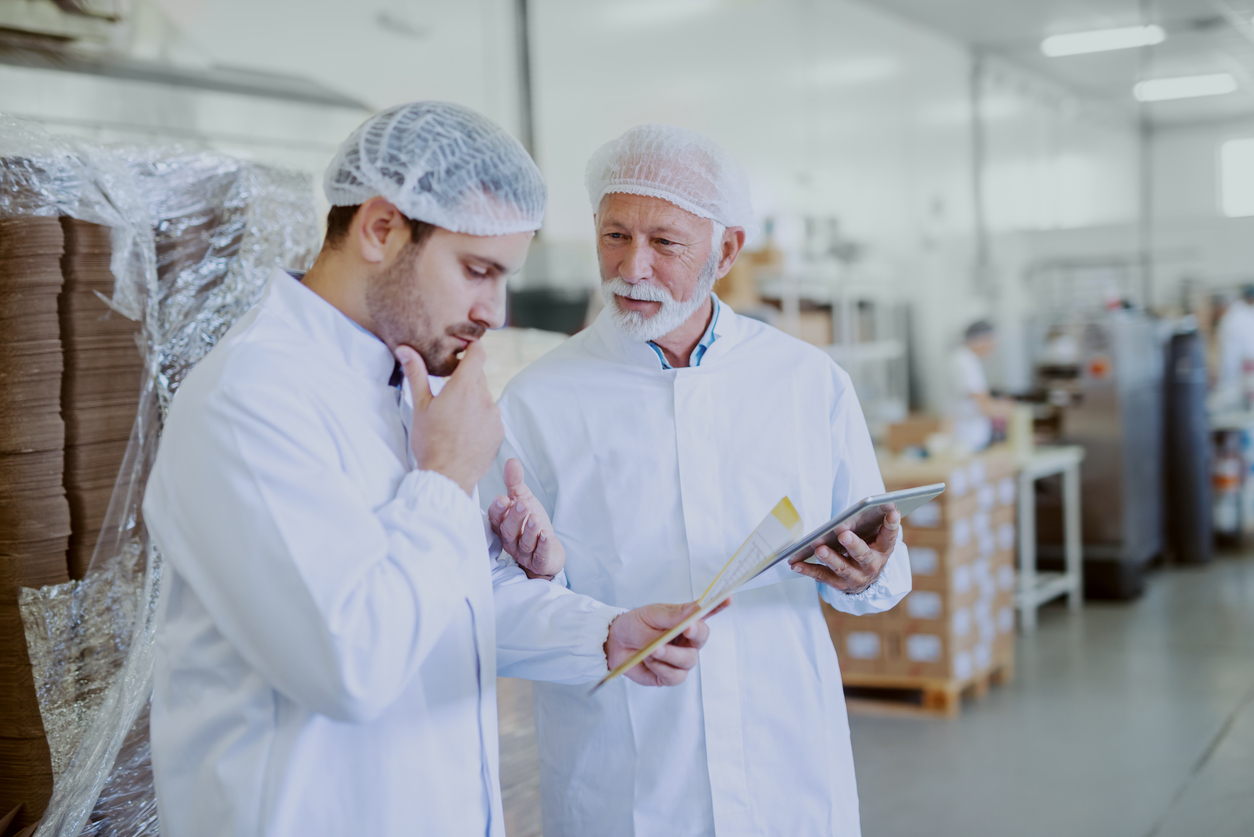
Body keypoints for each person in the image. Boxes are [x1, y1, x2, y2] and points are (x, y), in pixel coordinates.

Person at [142, 103, 713, 837]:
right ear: (383, 228)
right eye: (478, 270)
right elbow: (351, 660)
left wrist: (601, 633)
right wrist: (443, 481)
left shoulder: (403, 387)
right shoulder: (249, 402)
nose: (495, 311)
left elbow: (434, 609)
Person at [479, 124, 911, 837]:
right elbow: (487, 596)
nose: (633, 266)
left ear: (727, 248)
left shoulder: (806, 383)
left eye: (665, 242)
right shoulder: (537, 400)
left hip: (787, 765)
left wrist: (867, 575)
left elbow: (883, 564)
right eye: (614, 235)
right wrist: (600, 631)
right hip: (624, 777)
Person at [949, 319, 1009, 452]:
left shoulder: (966, 360)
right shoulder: (965, 362)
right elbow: (984, 406)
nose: (993, 347)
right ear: (980, 340)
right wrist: (1009, 409)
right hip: (967, 440)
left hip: (970, 439)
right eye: (991, 341)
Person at [1216, 284, 1254, 395]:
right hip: (1244, 367)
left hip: (1243, 367)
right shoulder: (1240, 315)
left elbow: (1230, 353)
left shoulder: (1234, 318)